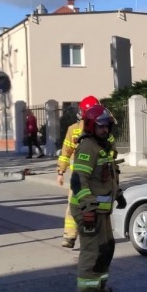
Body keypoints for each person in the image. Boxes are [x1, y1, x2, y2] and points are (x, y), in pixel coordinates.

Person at [70, 104, 125, 292]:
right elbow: (78, 181)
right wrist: (88, 208)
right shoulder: (87, 147)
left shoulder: (102, 147)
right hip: (89, 211)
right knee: (92, 253)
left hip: (102, 212)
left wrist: (118, 194)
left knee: (105, 249)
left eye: (107, 127)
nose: (105, 130)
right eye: (102, 127)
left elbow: (108, 175)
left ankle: (99, 288)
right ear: (92, 126)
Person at [57, 95, 101, 249]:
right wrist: (60, 171)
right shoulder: (73, 130)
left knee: (93, 208)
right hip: (79, 177)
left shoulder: (100, 129)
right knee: (73, 205)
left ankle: (90, 238)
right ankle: (69, 236)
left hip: (96, 176)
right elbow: (66, 152)